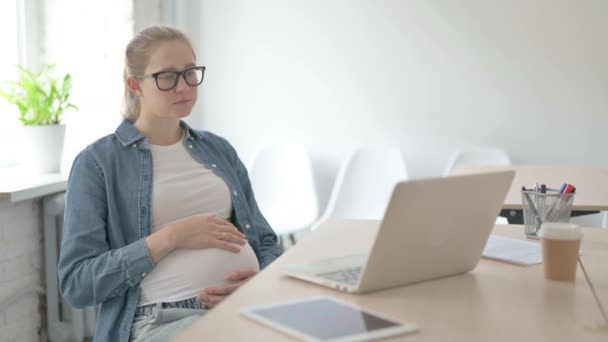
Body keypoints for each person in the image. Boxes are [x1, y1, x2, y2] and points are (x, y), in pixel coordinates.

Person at [58, 25, 282, 342]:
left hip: (242, 306)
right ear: (135, 85)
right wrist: (172, 236)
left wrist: (258, 281)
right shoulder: (97, 163)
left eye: (190, 73)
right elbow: (77, 284)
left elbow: (266, 241)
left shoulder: (218, 149)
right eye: (167, 77)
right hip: (161, 320)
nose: (183, 87)